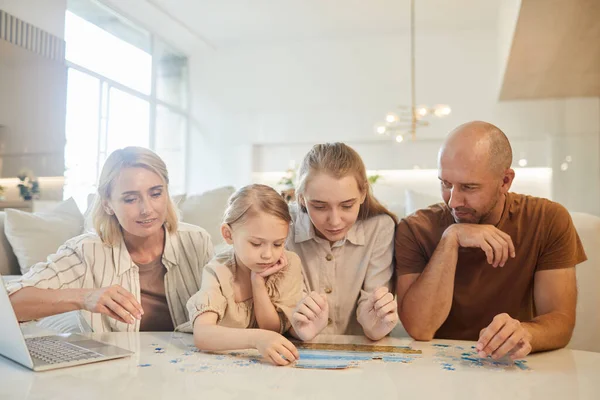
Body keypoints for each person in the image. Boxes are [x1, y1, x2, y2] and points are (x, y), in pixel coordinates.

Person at [396, 121, 586, 360]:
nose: (453, 201)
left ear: (505, 181)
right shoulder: (414, 229)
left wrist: (526, 333)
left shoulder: (548, 220)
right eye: (445, 184)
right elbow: (420, 329)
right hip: (438, 367)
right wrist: (450, 238)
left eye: (469, 187)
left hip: (514, 366)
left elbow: (560, 321)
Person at [8, 147, 214, 332]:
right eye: (130, 199)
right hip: (115, 370)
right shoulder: (86, 252)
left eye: (156, 194)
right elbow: (11, 303)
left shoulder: (197, 241)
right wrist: (85, 297)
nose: (147, 209)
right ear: (107, 204)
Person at [286, 142, 399, 341]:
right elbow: (285, 306)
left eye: (347, 205)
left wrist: (375, 323)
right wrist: (297, 325)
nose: (335, 221)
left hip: (360, 355)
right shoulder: (284, 225)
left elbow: (372, 310)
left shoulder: (380, 227)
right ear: (302, 198)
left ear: (363, 194)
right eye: (319, 206)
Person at [188, 184, 303, 366]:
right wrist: (256, 339)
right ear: (228, 235)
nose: (268, 255)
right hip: (218, 366)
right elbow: (202, 335)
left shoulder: (288, 264)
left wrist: (257, 282)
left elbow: (273, 329)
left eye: (278, 244)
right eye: (256, 244)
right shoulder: (218, 270)